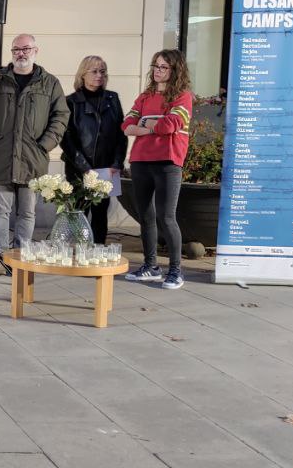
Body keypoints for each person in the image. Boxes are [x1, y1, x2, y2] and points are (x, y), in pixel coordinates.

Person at [0, 34, 70, 275]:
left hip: (32, 159)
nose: (21, 53)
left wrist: (45, 144)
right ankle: (0, 258)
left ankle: (21, 258)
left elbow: (61, 116)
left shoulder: (49, 83)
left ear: (36, 50)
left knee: (27, 212)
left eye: (26, 48)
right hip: (1, 157)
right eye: (16, 49)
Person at [122, 49, 194, 290]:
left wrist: (146, 125)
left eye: (163, 67)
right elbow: (127, 125)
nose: (157, 70)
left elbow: (171, 124)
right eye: (155, 65)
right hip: (141, 161)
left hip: (168, 162)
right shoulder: (145, 96)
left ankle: (175, 272)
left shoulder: (183, 96)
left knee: (167, 217)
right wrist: (153, 126)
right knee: (146, 217)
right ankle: (151, 266)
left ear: (175, 70)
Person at [60, 56, 127, 244]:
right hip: (78, 168)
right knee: (78, 212)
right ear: (83, 74)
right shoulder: (71, 102)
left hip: (106, 168)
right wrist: (84, 167)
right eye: (94, 71)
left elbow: (120, 135)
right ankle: (76, 253)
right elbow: (66, 139)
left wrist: (117, 163)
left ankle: (97, 252)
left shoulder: (112, 99)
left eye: (103, 71)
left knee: (100, 213)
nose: (99, 75)